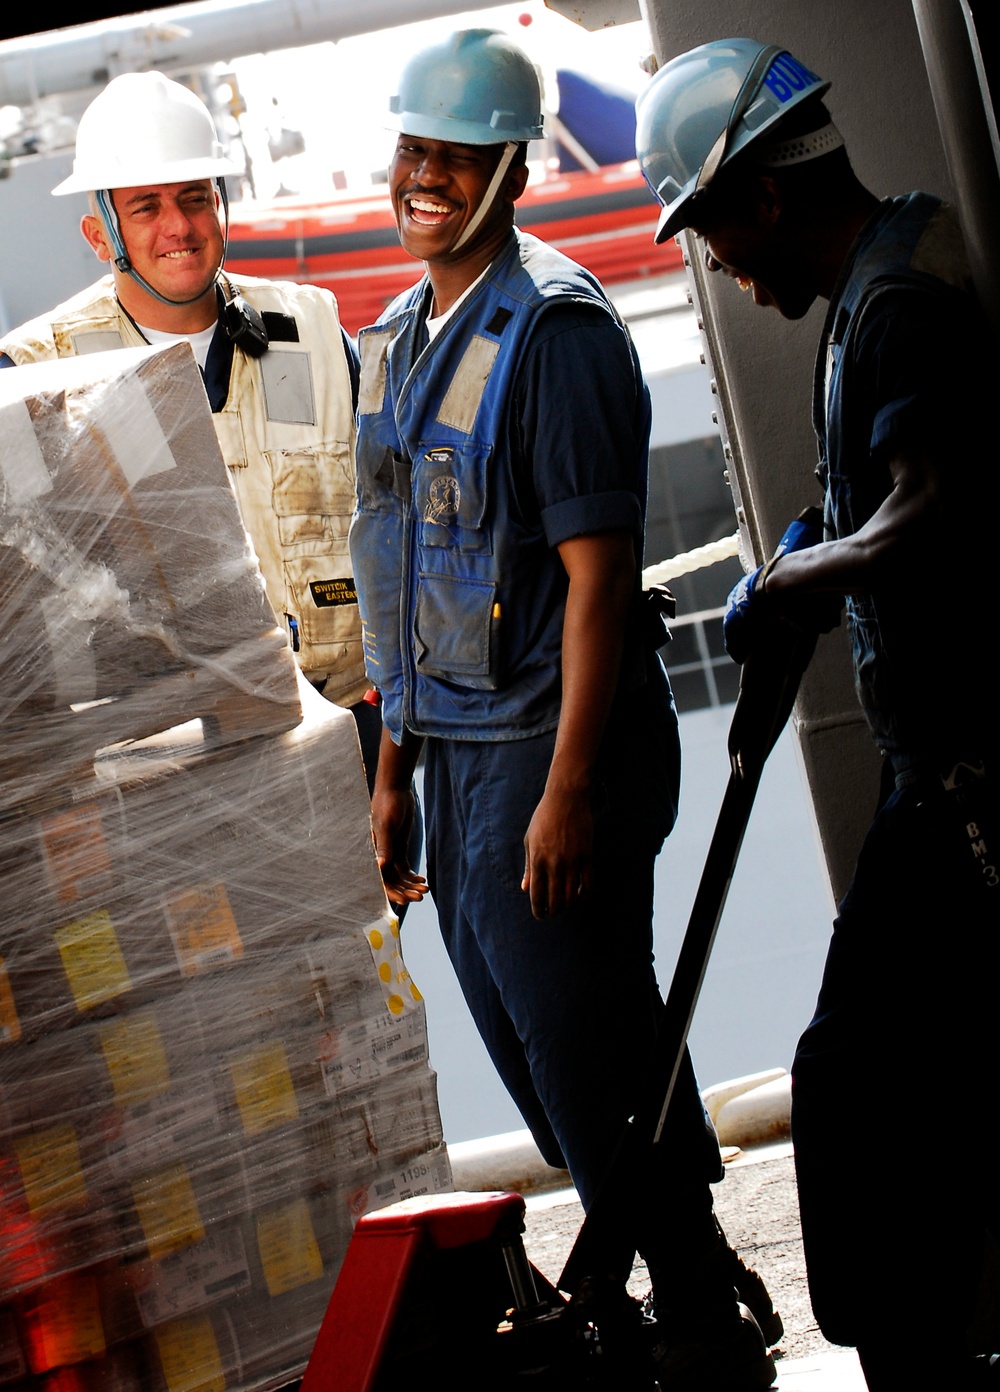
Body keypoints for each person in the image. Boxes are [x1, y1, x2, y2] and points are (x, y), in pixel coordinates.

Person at [351, 27, 780, 1388]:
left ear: (509, 169)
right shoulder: (405, 341)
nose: (429, 176)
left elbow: (597, 589)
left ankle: (699, 1314)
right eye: (417, 149)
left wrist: (571, 791)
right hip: (459, 752)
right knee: (551, 1051)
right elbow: (410, 578)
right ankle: (685, 1269)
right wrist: (390, 776)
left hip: (557, 737)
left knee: (587, 1047)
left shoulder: (560, 331)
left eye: (458, 156)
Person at [636, 38, 999, 1391]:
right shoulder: (869, 290)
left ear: (763, 197)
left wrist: (804, 576)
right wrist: (809, 539)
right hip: (933, 782)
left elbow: (932, 504)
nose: (720, 265)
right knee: (902, 1094)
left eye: (710, 229)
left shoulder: (896, 303)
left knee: (858, 1090)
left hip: (964, 791)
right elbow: (872, 503)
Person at [0, 71, 386, 779]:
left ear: (223, 205)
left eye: (195, 199)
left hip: (349, 731)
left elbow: (395, 522)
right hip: (164, 764)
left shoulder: (314, 334)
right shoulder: (36, 376)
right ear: (99, 234)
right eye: (146, 208)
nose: (178, 227)